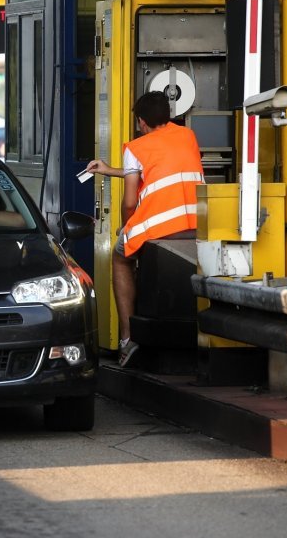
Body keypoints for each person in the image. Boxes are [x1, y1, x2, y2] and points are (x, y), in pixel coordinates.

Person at [85, 91, 203, 367]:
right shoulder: (188, 136)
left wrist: (125, 227)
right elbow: (158, 168)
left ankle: (127, 338)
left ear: (141, 122)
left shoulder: (137, 147)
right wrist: (109, 169)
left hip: (161, 224)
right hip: (196, 224)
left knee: (120, 256)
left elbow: (129, 202)